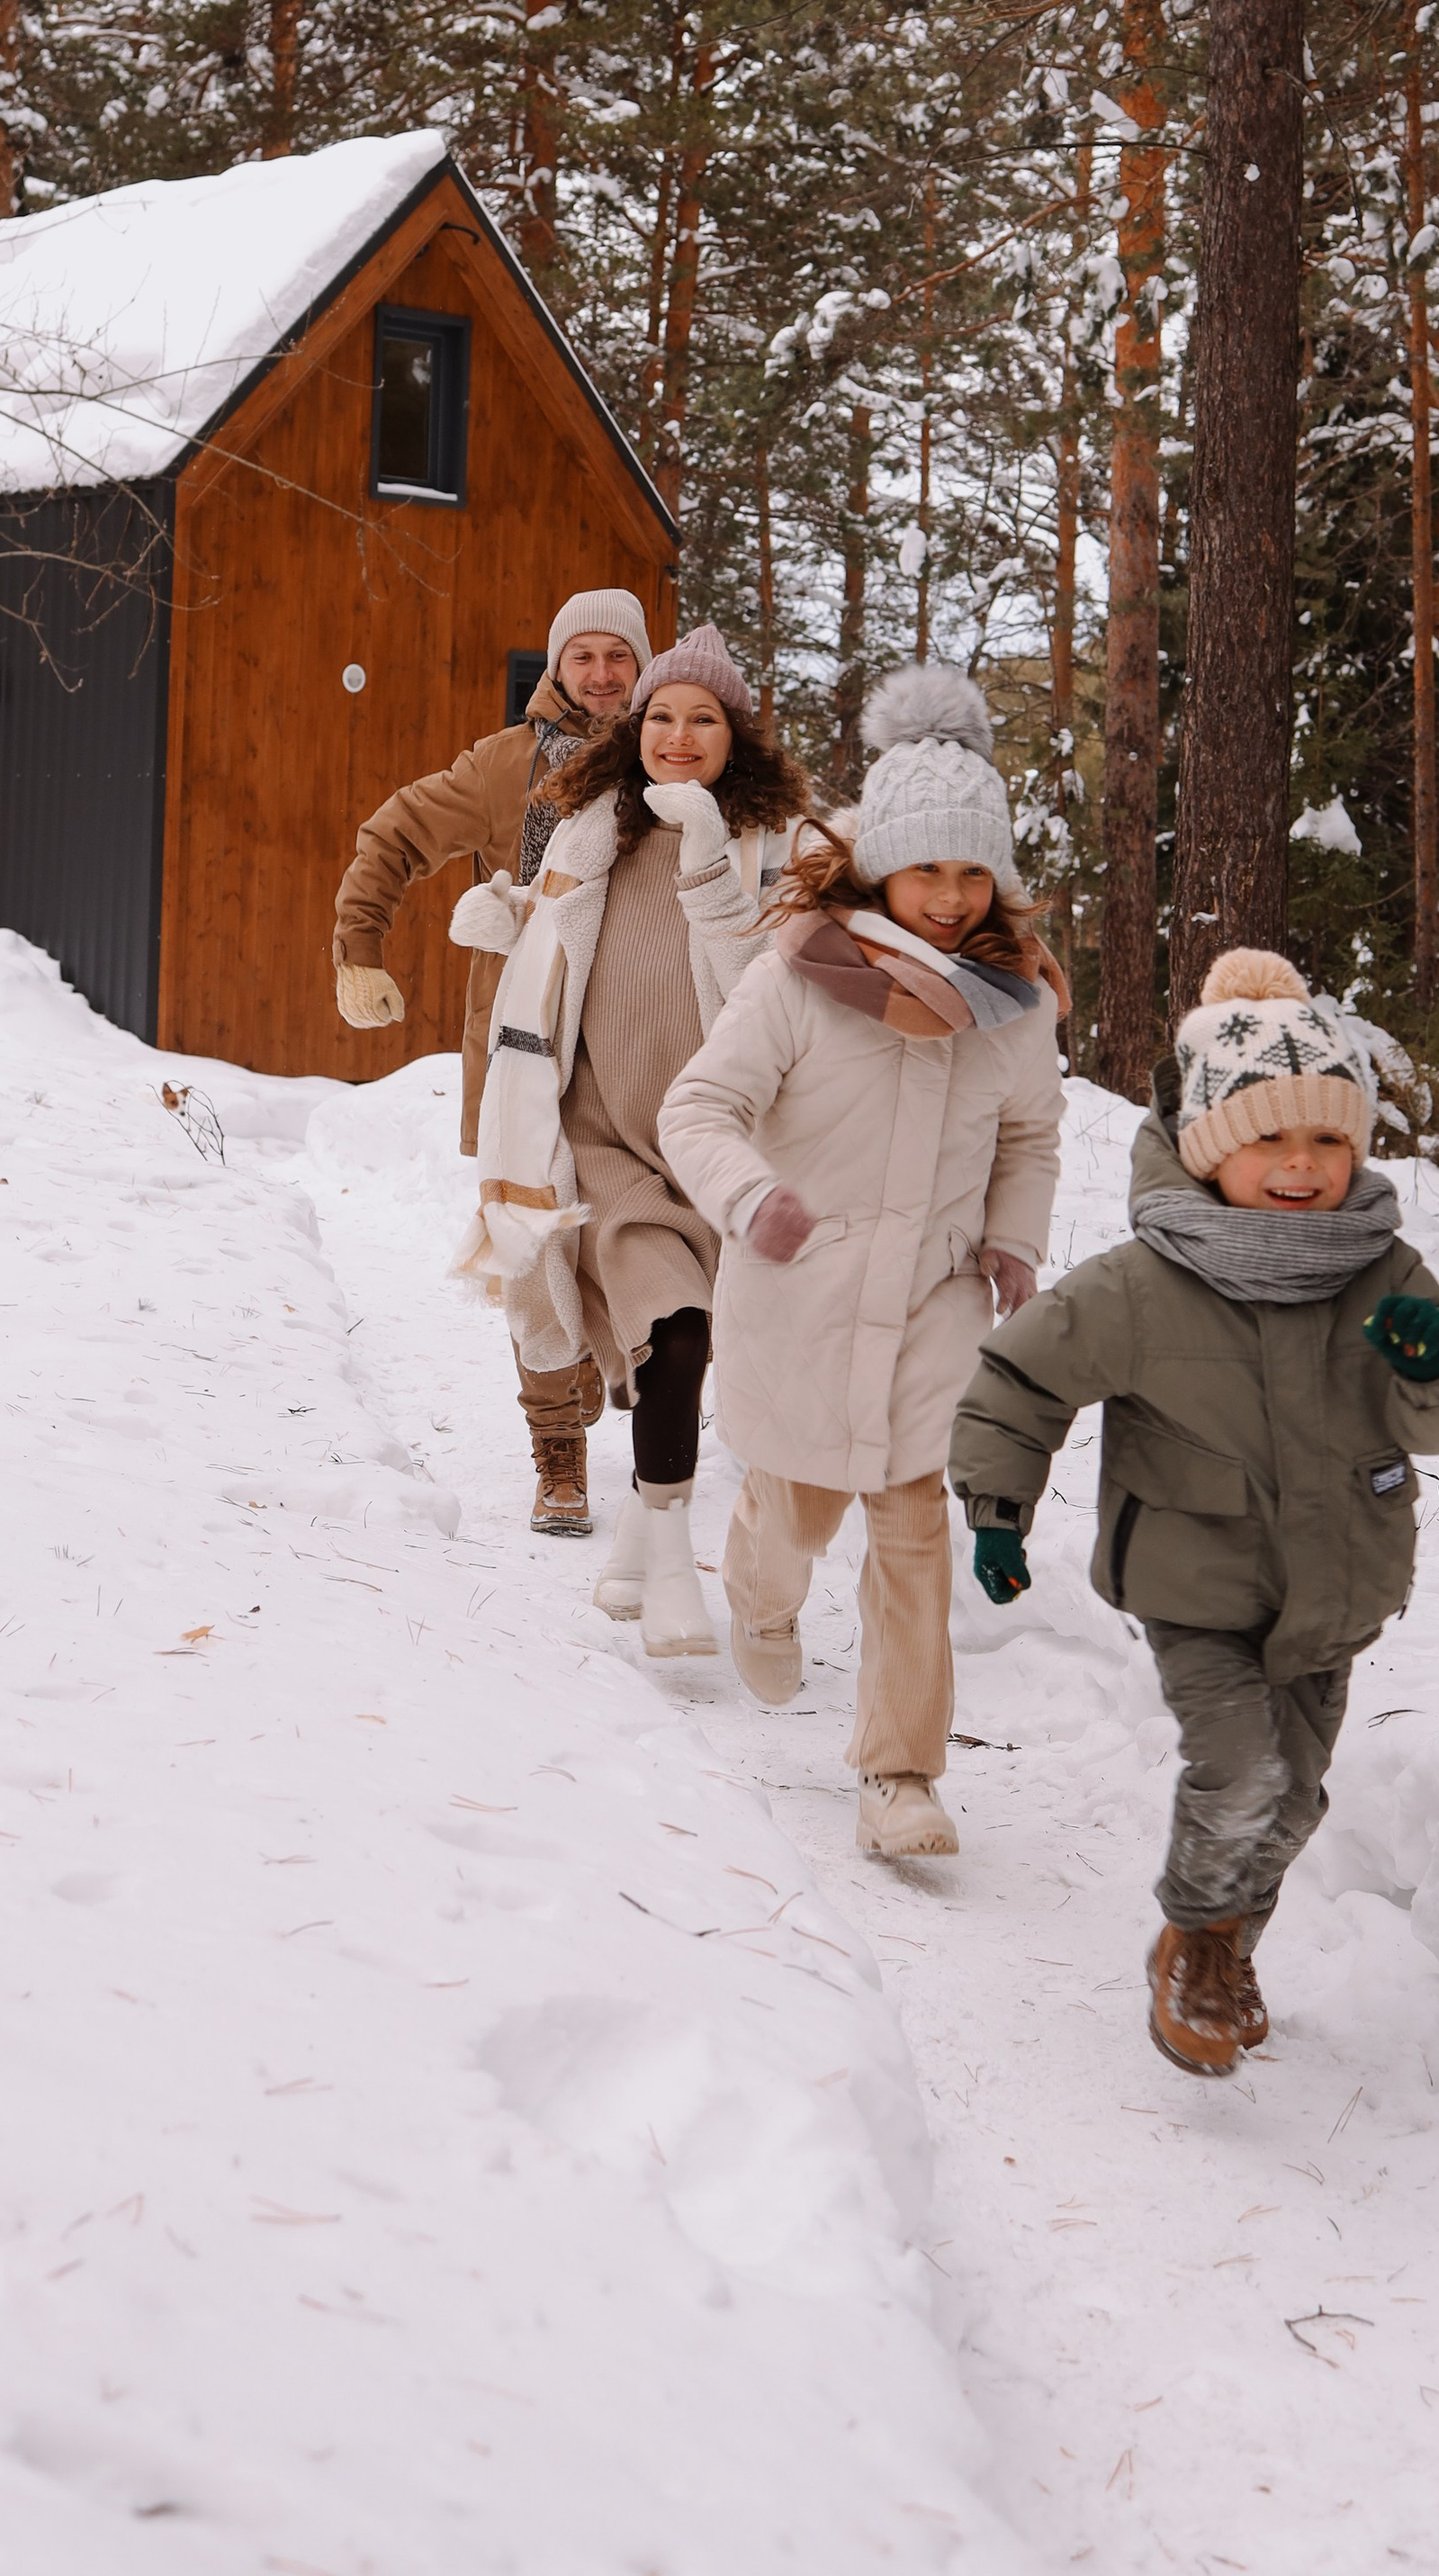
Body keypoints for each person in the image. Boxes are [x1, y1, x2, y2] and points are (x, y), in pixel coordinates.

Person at [949, 948, 1439, 2076]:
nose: (1302, 1165)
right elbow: (1021, 1377)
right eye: (1269, 1138)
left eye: (1327, 1140)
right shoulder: (1140, 1282)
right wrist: (1000, 1508)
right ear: (1212, 1150)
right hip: (1193, 1585)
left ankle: (1212, 1939)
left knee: (1296, 1799)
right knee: (1243, 1773)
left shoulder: (1381, 1271)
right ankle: (1195, 1951)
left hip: (1336, 1593)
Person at [660, 664, 1066, 1860]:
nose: (948, 895)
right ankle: (756, 1588)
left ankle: (899, 1771)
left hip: (933, 1309)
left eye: (970, 868)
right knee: (797, 1508)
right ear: (879, 862)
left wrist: (1013, 1236)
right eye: (925, 867)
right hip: (801, 1292)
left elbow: (1034, 1133)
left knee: (910, 1530)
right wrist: (751, 1199)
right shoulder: (799, 973)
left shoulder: (1017, 1002)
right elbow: (699, 1109)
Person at [451, 626, 811, 1654]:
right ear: (635, 731)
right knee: (675, 1336)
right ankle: (669, 1574)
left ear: (735, 737)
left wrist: (706, 856)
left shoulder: (778, 847)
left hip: (722, 1144)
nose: (677, 734)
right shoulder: (588, 831)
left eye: (702, 718)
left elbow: (770, 992)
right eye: (660, 715)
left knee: (707, 1355)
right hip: (608, 1136)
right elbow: (573, 945)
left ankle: (633, 1552)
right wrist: (513, 915)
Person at [332, 588, 648, 1537]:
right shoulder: (504, 767)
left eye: (617, 657)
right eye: (582, 656)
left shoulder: (680, 761)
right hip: (523, 1054)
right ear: (557, 667)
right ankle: (558, 1455)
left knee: (627, 1247)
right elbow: (392, 833)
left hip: (639, 1057)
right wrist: (358, 945)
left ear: (640, 668)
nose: (599, 674)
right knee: (529, 1250)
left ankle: (592, 1361)